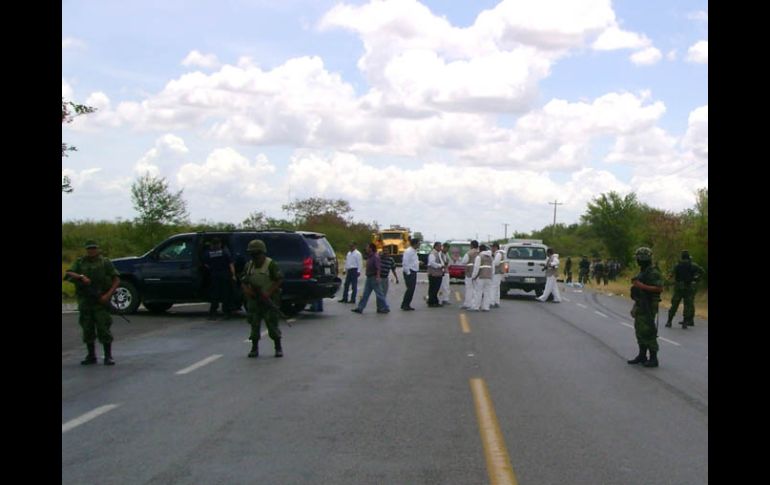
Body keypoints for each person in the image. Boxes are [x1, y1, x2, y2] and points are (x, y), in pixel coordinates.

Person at [64, 240, 121, 365]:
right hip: (85, 300)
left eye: (94, 248)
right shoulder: (80, 262)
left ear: (98, 249)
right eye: (89, 248)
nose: (92, 250)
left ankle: (108, 356)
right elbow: (68, 273)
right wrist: (81, 277)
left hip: (100, 300)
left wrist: (108, 295)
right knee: (87, 328)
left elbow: (116, 279)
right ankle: (91, 355)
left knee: (103, 327)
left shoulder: (105, 262)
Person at [241, 239, 284, 358]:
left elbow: (279, 279)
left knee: (272, 325)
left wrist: (268, 293)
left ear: (263, 253)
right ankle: (254, 348)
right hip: (254, 300)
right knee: (254, 325)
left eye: (257, 254)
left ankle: (278, 347)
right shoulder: (249, 266)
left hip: (268, 299)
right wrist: (248, 291)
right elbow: (243, 281)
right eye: (252, 254)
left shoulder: (270, 264)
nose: (255, 257)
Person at [627, 247, 664, 368]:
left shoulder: (653, 272)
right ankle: (642, 355)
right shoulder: (644, 271)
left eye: (639, 258)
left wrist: (641, 285)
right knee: (640, 330)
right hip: (641, 303)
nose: (637, 260)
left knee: (648, 331)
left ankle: (653, 358)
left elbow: (659, 288)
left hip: (648, 305)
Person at [665, 250, 705, 329]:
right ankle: (685, 322)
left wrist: (667, 282)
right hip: (689, 287)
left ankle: (669, 321)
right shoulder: (693, 265)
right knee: (687, 306)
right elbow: (702, 271)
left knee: (674, 305)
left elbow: (670, 274)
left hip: (679, 287)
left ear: (682, 257)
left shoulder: (677, 265)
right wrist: (696, 278)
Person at [201, 238, 236, 320]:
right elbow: (231, 264)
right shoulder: (225, 252)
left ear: (212, 245)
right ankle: (226, 313)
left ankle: (213, 314)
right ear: (220, 244)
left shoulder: (208, 253)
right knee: (225, 295)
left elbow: (205, 264)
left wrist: (212, 268)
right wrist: (233, 275)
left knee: (214, 295)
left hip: (214, 276)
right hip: (225, 276)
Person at [352, 243, 390, 314]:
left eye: (367, 247)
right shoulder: (370, 256)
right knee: (365, 294)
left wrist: (378, 277)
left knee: (379, 294)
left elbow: (378, 268)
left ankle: (385, 307)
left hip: (374, 277)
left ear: (371, 248)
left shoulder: (375, 257)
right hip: (369, 278)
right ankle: (360, 308)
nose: (366, 248)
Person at [470, 244, 494, 311]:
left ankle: (476, 307)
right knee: (487, 292)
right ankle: (486, 307)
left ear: (480, 249)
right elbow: (493, 268)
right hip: (489, 277)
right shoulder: (491, 257)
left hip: (480, 277)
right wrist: (491, 276)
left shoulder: (479, 257)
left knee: (478, 292)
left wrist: (473, 276)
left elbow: (476, 268)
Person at [400, 238, 420, 311]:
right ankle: (405, 305)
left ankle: (406, 304)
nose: (419, 244)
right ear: (415, 243)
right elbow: (405, 262)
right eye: (418, 243)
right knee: (410, 289)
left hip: (413, 271)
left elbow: (413, 261)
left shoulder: (414, 251)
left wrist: (418, 262)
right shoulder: (408, 251)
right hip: (410, 272)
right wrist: (408, 273)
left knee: (411, 289)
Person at [460, 240, 480, 310]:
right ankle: (475, 304)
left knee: (469, 288)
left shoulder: (469, 253)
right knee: (476, 289)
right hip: (478, 273)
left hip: (469, 272)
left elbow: (464, 261)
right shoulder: (479, 253)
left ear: (471, 246)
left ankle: (468, 303)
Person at [426, 242, 444, 307]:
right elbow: (431, 263)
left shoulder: (437, 253)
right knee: (434, 288)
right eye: (439, 246)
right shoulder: (433, 254)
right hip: (434, 274)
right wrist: (440, 265)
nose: (440, 248)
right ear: (435, 246)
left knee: (435, 289)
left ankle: (434, 301)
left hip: (437, 273)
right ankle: (432, 302)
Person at [491, 242, 504, 308]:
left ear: (495, 247)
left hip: (497, 272)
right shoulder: (499, 253)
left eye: (492, 247)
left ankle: (492, 302)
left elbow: (496, 263)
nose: (491, 249)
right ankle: (496, 302)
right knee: (497, 288)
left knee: (493, 287)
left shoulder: (498, 254)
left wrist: (492, 262)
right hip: (499, 273)